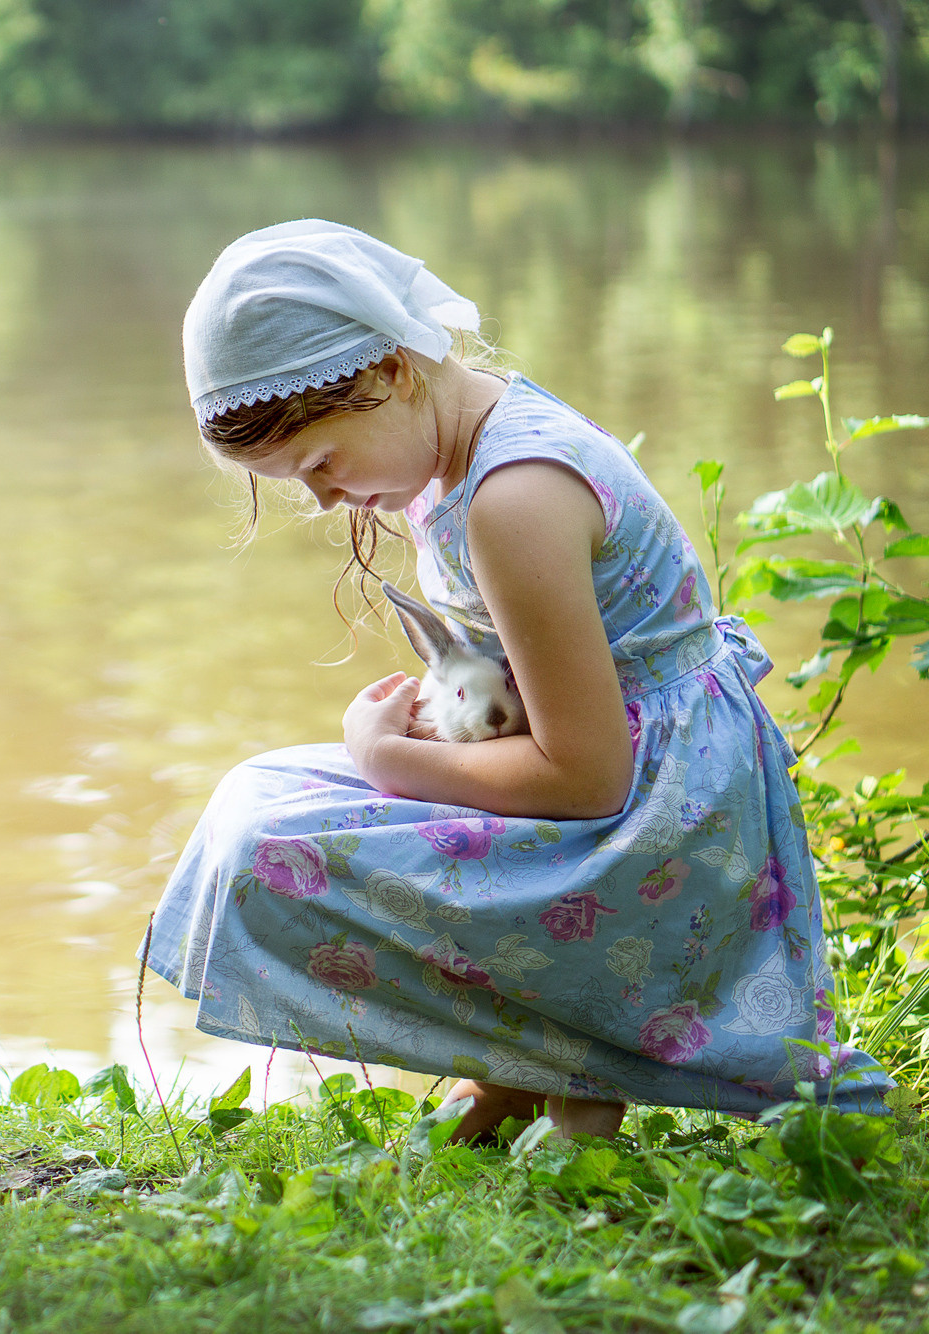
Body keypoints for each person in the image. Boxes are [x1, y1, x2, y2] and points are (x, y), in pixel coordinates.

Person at [144, 220, 890, 1141]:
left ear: (392, 373)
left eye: (321, 464)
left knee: (266, 845)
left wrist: (387, 760)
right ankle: (527, 1063)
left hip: (658, 823)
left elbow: (585, 779)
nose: (325, 498)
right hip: (630, 781)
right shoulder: (454, 448)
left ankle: (571, 1049)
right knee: (256, 795)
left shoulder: (514, 496)